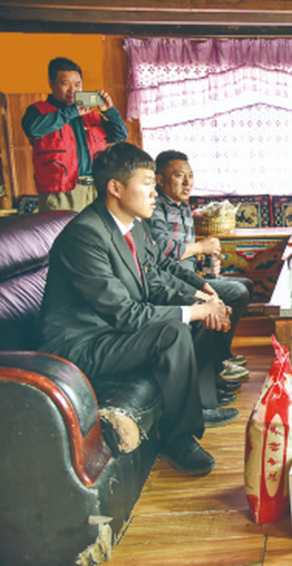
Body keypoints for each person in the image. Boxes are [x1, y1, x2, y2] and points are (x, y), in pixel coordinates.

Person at [39, 142, 238, 476]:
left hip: (112, 334)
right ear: (115, 188)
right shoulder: (85, 236)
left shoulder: (134, 226)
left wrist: (201, 302)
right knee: (173, 331)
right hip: (82, 345)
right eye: (146, 183)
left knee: (189, 317)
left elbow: (154, 284)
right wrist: (196, 312)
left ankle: (198, 407)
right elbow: (126, 313)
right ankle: (178, 440)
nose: (154, 193)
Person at [145, 150, 253, 386]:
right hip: (170, 281)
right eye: (179, 176)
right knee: (236, 292)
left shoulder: (184, 208)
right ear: (160, 180)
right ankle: (217, 360)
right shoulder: (154, 208)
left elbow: (189, 254)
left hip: (191, 275)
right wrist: (201, 247)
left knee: (246, 285)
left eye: (190, 176)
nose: (187, 182)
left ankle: (220, 354)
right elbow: (161, 250)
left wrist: (206, 265)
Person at [21, 57, 128, 213]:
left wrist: (109, 111)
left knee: (95, 229)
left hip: (96, 189)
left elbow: (120, 135)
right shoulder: (38, 111)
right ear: (51, 83)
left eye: (77, 84)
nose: (73, 90)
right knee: (62, 229)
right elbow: (33, 130)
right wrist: (71, 112)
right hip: (60, 193)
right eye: (65, 84)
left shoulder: (90, 114)